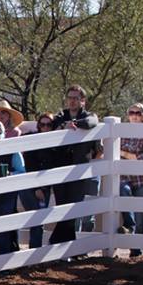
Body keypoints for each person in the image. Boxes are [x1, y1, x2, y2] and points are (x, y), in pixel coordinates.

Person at [50, 85, 99, 244]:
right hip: (61, 168)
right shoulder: (60, 116)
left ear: (82, 101)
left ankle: (56, 243)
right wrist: (64, 125)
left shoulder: (88, 116)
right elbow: (53, 126)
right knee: (62, 207)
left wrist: (74, 123)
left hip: (80, 170)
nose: (72, 101)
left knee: (73, 209)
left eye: (76, 98)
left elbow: (92, 122)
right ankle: (65, 248)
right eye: (70, 98)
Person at [0, 121, 26, 254]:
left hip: (6, 194)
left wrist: (9, 174)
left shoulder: (12, 150)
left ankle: (4, 261)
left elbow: (22, 171)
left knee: (3, 228)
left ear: (4, 134)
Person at [118, 103, 143, 258]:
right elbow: (115, 153)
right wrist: (127, 154)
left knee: (141, 217)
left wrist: (123, 153)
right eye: (131, 112)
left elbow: (142, 158)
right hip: (124, 177)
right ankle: (129, 225)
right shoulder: (122, 132)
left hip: (142, 179)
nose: (134, 115)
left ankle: (136, 251)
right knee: (122, 192)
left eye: (138, 113)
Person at [19, 113, 59, 248]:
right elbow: (30, 165)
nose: (45, 127)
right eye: (42, 124)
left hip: (45, 186)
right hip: (30, 185)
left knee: (39, 220)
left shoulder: (55, 143)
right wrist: (36, 188)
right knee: (35, 218)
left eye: (49, 124)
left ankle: (35, 251)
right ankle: (33, 250)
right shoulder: (32, 139)